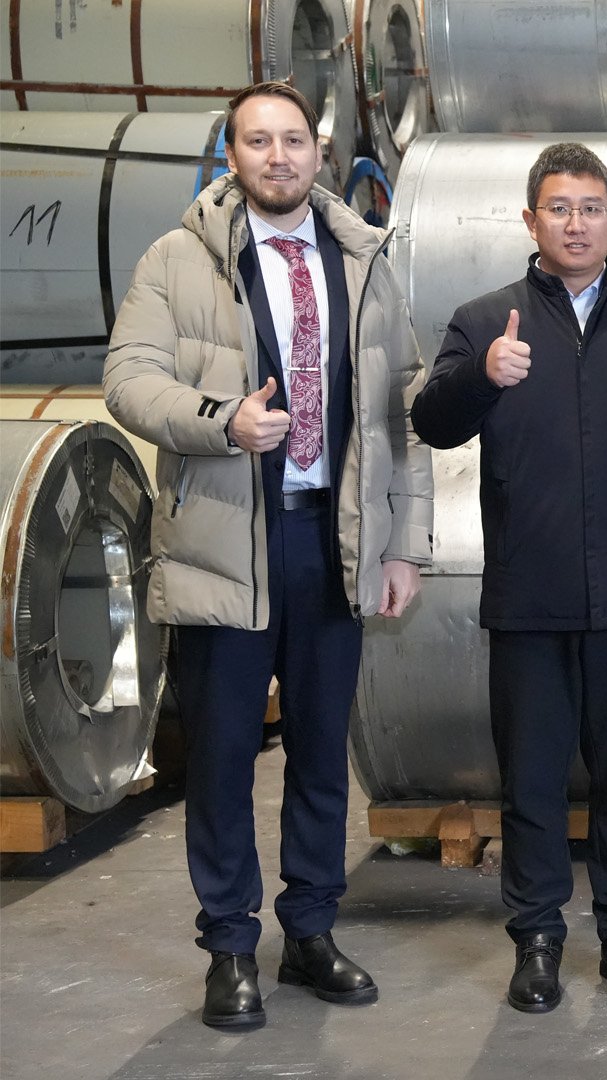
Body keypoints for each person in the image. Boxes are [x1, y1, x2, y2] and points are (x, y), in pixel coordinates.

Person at [103, 81, 432, 1031]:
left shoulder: (364, 259)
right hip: (224, 541)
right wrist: (222, 422)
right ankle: (230, 946)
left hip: (334, 537)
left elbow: (401, 408)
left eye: (293, 140)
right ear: (232, 155)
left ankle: (312, 930)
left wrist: (402, 545)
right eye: (258, 141)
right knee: (222, 756)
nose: (278, 156)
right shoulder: (177, 258)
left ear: (318, 152)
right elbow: (127, 378)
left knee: (323, 751)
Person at [410, 142, 607, 1013]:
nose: (576, 223)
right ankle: (538, 939)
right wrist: (483, 378)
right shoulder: (486, 320)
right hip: (529, 598)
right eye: (559, 207)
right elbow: (431, 422)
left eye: (590, 208)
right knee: (533, 781)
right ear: (530, 219)